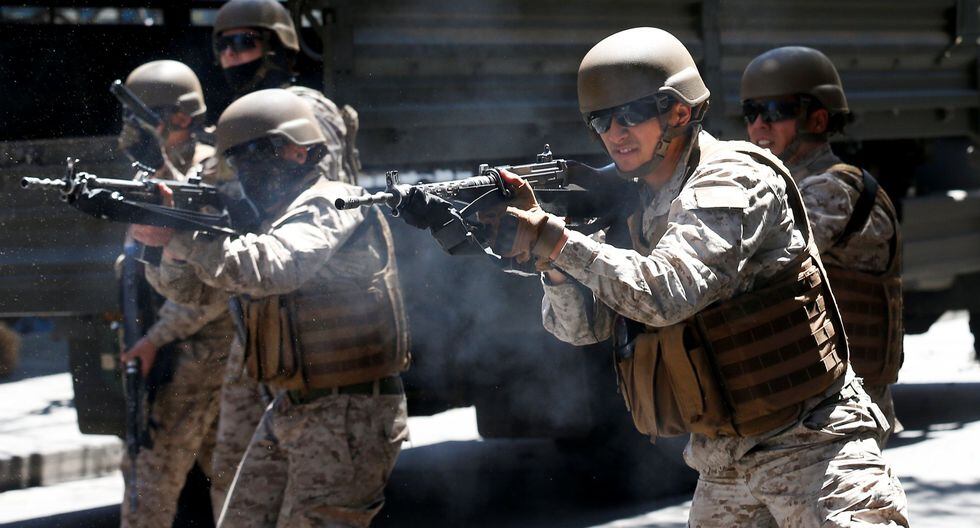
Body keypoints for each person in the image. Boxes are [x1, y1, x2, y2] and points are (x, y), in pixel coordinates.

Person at [451, 27, 909, 526]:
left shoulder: (733, 177)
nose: (615, 133)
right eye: (601, 120)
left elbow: (666, 292)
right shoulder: (640, 203)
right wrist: (550, 264)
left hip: (811, 446)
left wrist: (555, 240)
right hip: (723, 463)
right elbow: (579, 330)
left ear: (679, 111)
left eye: (631, 114)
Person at [133, 88, 409, 527]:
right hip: (288, 408)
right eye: (237, 159)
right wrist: (160, 248)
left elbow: (272, 268)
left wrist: (184, 238)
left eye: (255, 154)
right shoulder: (269, 223)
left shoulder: (335, 203)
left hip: (349, 415)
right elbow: (195, 293)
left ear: (299, 150)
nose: (246, 170)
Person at [200, 0, 365, 507]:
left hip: (310, 310)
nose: (231, 56)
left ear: (276, 46)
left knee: (317, 479)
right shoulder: (236, 120)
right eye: (223, 46)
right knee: (234, 476)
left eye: (244, 42)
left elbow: (320, 200)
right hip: (256, 310)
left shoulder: (307, 110)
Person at [741, 46, 904, 447]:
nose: (760, 125)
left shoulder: (831, 189)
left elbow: (750, 264)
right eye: (751, 112)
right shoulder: (783, 187)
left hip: (844, 408)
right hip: (804, 400)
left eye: (776, 111)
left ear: (817, 118)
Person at [115, 59, 235, 527]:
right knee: (234, 478)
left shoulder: (212, 173)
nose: (132, 129)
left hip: (198, 349)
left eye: (143, 117)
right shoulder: (148, 176)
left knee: (150, 477)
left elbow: (213, 277)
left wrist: (156, 339)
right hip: (168, 350)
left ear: (182, 117)